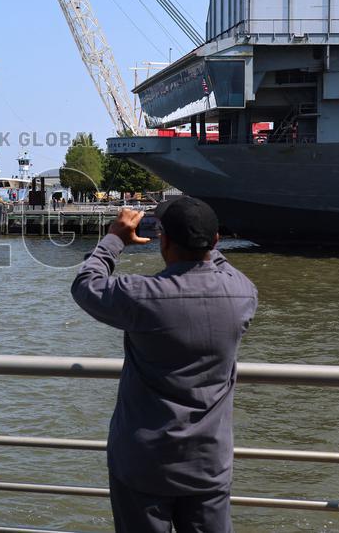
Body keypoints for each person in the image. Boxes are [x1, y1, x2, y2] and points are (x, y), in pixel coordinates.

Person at [70, 198, 257, 533]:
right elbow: (220, 264)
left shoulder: (142, 295)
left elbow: (86, 285)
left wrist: (115, 238)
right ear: (215, 241)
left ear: (163, 240)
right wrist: (204, 240)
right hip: (208, 462)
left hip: (144, 462)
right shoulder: (242, 294)